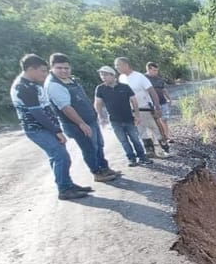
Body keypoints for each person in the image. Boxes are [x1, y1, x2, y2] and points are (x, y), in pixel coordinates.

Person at [10, 54, 91, 200]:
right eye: (42, 71)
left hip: (46, 127)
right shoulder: (23, 87)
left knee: (59, 157)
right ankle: (64, 189)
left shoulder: (32, 83)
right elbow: (38, 113)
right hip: (37, 129)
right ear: (30, 69)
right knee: (61, 156)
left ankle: (67, 184)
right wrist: (56, 130)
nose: (45, 74)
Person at [45, 53, 119, 183]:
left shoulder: (70, 80)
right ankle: (97, 173)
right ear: (52, 68)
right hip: (76, 124)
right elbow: (66, 108)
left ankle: (104, 168)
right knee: (89, 148)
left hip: (90, 120)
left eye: (66, 68)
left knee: (98, 145)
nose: (63, 71)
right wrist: (81, 123)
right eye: (59, 68)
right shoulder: (54, 85)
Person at [94, 66, 152, 167]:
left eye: (105, 75)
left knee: (135, 139)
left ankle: (142, 157)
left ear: (112, 75)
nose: (103, 77)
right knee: (123, 141)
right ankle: (131, 159)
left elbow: (134, 100)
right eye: (101, 75)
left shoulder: (124, 87)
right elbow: (97, 103)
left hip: (128, 118)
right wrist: (100, 116)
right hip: (114, 120)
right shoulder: (100, 89)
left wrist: (137, 115)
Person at [114, 57, 169, 158]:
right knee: (141, 131)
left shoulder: (139, 77)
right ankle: (150, 150)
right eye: (116, 66)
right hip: (132, 111)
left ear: (126, 65)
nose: (116, 68)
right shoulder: (121, 78)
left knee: (155, 129)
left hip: (145, 108)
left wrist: (157, 107)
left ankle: (164, 149)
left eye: (118, 65)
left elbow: (152, 91)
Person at [144, 61, 174, 141]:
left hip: (163, 102)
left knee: (164, 120)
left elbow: (163, 89)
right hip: (151, 104)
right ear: (148, 69)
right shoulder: (143, 79)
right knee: (154, 122)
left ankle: (166, 137)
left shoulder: (158, 78)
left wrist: (169, 98)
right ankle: (156, 139)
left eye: (157, 70)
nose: (156, 72)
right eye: (154, 70)